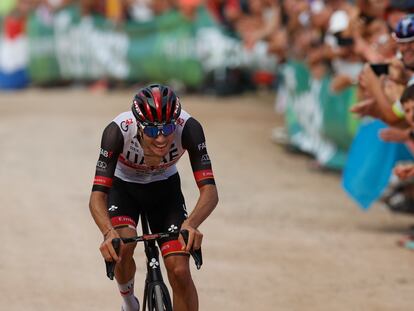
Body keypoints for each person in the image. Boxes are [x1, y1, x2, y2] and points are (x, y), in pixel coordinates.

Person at [89, 84, 219, 311]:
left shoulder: (189, 128)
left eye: (167, 129)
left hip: (165, 189)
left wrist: (191, 223)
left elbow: (210, 191)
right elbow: (97, 196)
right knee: (123, 246)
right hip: (124, 188)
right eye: (151, 131)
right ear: (138, 126)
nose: (160, 139)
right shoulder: (117, 131)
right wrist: (108, 233)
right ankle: (129, 303)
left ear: (175, 123)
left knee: (179, 269)